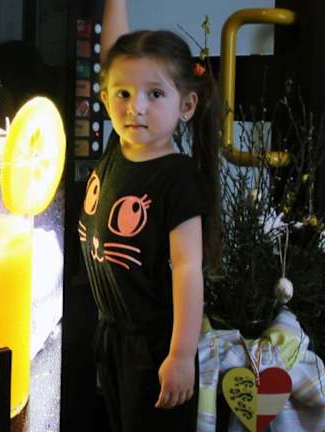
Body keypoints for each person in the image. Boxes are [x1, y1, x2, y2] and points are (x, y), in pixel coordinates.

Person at [78, 0, 221, 430]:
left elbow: (188, 270)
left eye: (154, 94)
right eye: (122, 93)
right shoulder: (120, 147)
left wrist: (181, 355)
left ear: (186, 105)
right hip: (112, 337)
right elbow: (114, 55)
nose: (134, 106)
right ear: (106, 96)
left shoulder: (177, 178)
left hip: (153, 348)